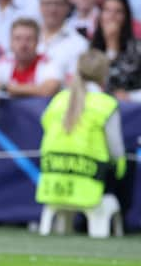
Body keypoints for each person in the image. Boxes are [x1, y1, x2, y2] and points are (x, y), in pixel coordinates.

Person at [36, 49, 126, 209]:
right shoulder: (106, 104)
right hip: (89, 189)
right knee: (124, 166)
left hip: (51, 185)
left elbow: (45, 129)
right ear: (105, 74)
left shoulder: (58, 99)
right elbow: (116, 150)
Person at [0, 17, 62, 100]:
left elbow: (48, 90)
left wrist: (3, 87)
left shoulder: (47, 63)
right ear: (10, 42)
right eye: (18, 39)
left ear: (37, 42)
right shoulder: (3, 62)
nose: (23, 45)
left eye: (29, 39)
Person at [91, 0, 141, 102]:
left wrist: (131, 96)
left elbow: (118, 80)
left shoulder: (137, 48)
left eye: (118, 11)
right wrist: (111, 48)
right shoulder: (91, 48)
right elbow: (94, 79)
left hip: (132, 110)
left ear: (126, 17)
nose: (112, 16)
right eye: (107, 10)